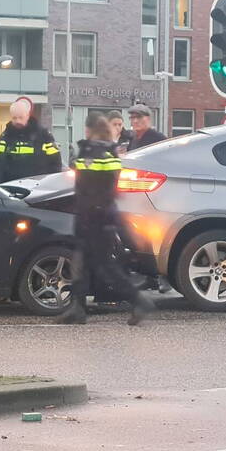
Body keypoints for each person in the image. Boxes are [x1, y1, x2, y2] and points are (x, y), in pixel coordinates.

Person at [58, 112, 155, 326]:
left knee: (103, 266)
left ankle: (138, 300)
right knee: (82, 265)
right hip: (101, 216)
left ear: (89, 129)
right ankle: (78, 309)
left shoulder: (93, 152)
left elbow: (88, 185)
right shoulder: (108, 152)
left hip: (93, 218)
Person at [0, 97, 61, 184]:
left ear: (27, 116)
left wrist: (49, 185)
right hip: (10, 188)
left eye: (20, 117)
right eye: (14, 118)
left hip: (37, 189)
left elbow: (55, 163)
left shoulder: (43, 135)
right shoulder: (6, 136)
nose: (17, 121)